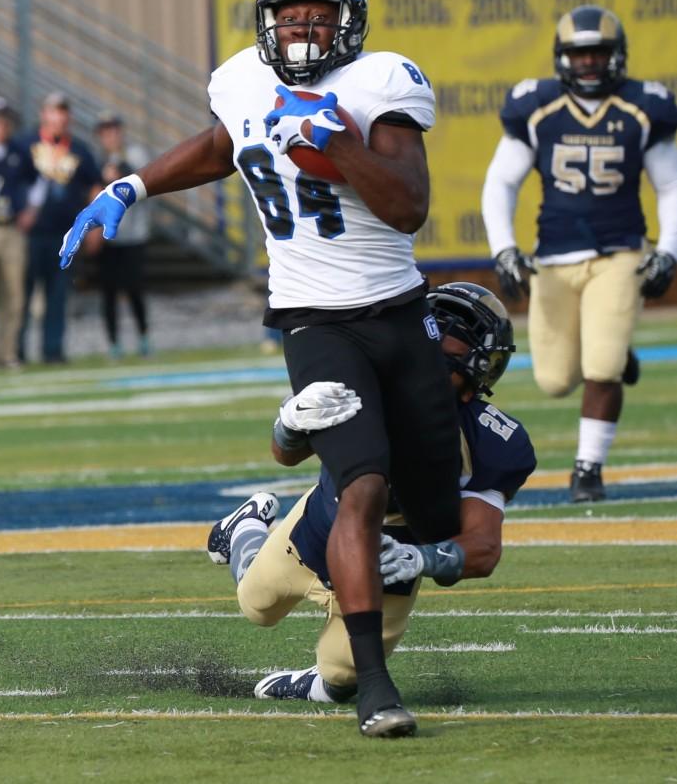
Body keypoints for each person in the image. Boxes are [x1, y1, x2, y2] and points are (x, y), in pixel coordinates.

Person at [59, 0, 462, 738]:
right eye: (288, 15)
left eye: (319, 16)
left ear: (350, 23)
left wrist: (337, 143)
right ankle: (374, 688)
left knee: (430, 520)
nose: (302, 30)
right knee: (362, 488)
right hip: (312, 318)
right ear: (266, 22)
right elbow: (223, 146)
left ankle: (256, 532)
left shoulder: (379, 81)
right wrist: (130, 185)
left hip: (396, 309)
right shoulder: (242, 76)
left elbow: (409, 206)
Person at [206, 282, 536, 704]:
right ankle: (244, 529)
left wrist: (422, 558)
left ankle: (312, 684)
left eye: (446, 360)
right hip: (320, 525)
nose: (430, 368)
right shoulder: (364, 386)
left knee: (342, 678)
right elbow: (285, 455)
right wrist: (289, 425)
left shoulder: (489, 440)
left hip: (391, 559)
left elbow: (484, 547)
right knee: (256, 606)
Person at [481, 5, 677, 503]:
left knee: (602, 368)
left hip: (619, 252)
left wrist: (668, 252)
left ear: (617, 56)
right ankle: (612, 345)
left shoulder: (641, 107)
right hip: (555, 257)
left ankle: (587, 470)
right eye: (579, 54)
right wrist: (504, 249)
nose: (589, 64)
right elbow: (501, 181)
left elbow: (670, 185)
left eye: (598, 53)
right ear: (562, 58)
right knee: (553, 379)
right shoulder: (538, 107)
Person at [19, 91, 103, 364]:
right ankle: (15, 350)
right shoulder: (24, 144)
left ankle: (52, 350)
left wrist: (96, 227)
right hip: (27, 233)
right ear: (43, 114)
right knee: (21, 293)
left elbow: (95, 187)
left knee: (58, 294)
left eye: (63, 111)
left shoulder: (79, 149)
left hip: (64, 233)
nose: (59, 117)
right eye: (54, 111)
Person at [0, 96, 45, 372]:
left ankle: (7, 352)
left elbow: (40, 180)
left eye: (4, 120)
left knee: (14, 293)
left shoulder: (19, 152)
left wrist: (32, 210)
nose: (0, 125)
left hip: (12, 228)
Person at [94, 112, 151, 358]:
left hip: (133, 234)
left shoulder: (135, 154)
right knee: (108, 291)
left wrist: (117, 174)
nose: (111, 136)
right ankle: (113, 341)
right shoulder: (97, 159)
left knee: (134, 288)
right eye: (106, 132)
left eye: (114, 130)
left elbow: (141, 179)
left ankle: (143, 336)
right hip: (108, 238)